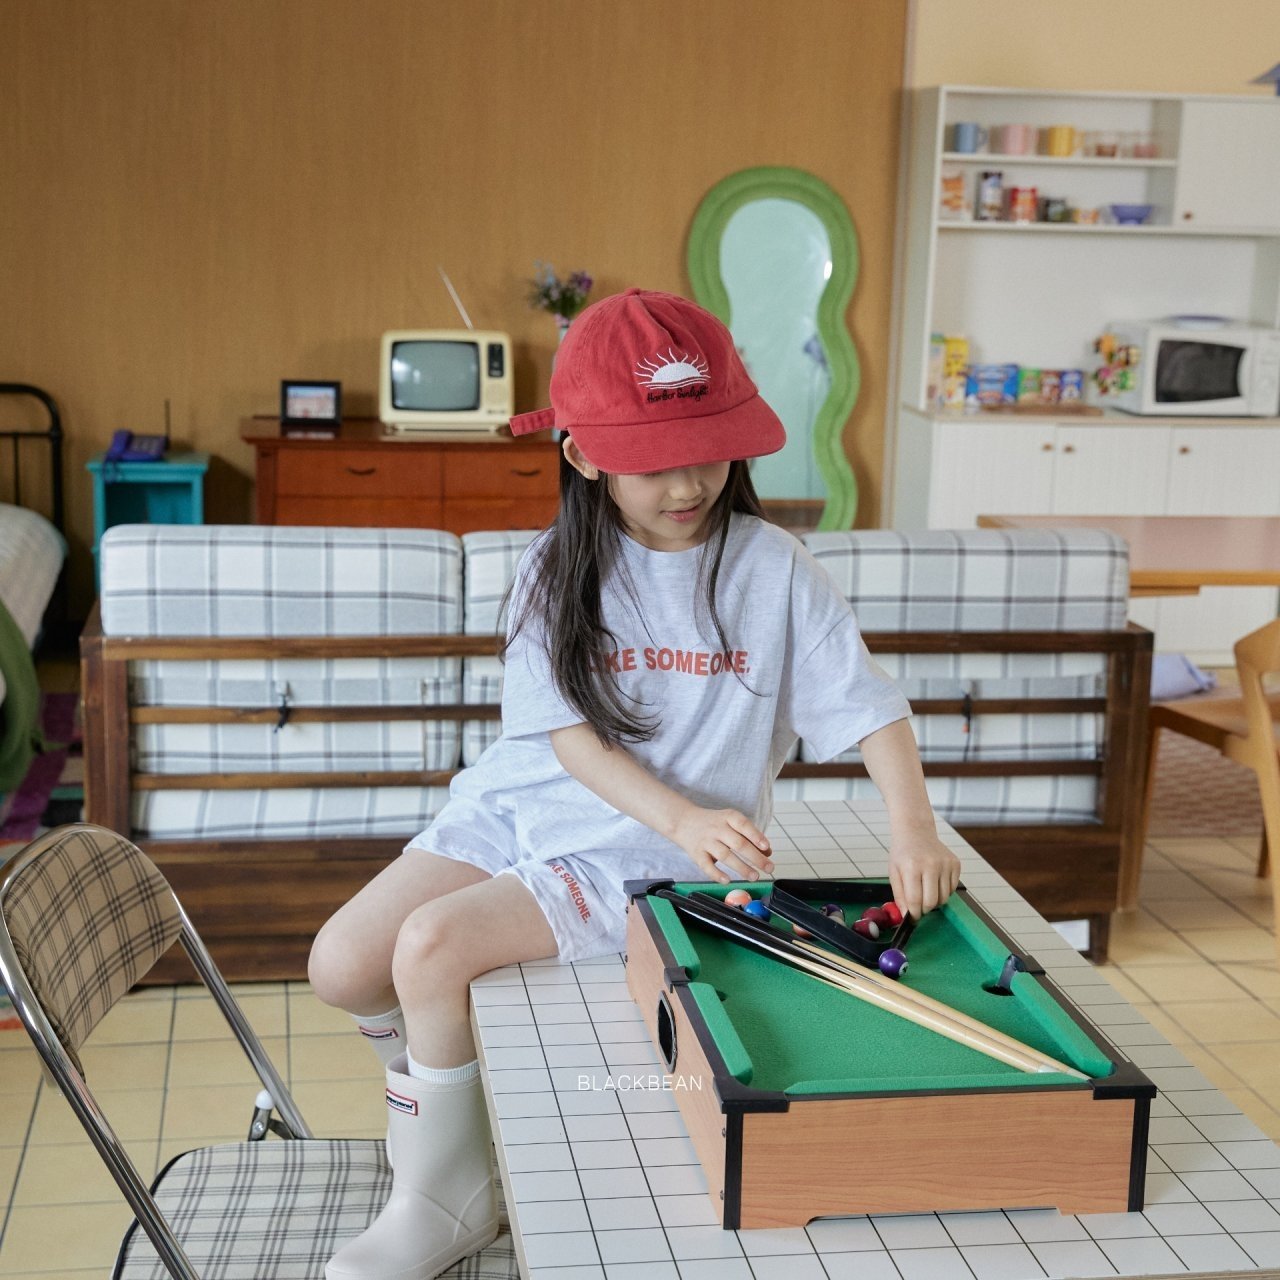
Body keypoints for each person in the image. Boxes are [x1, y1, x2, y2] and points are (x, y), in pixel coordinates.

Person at [310, 288, 962, 1280]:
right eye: (654, 462)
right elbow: (569, 743)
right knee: (341, 964)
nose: (688, 482)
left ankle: (446, 1194)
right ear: (583, 456)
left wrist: (913, 830)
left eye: (709, 450)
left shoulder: (774, 567)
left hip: (637, 848)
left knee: (429, 948)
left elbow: (869, 708)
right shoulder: (554, 567)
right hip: (525, 803)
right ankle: (451, 1121)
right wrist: (685, 811)